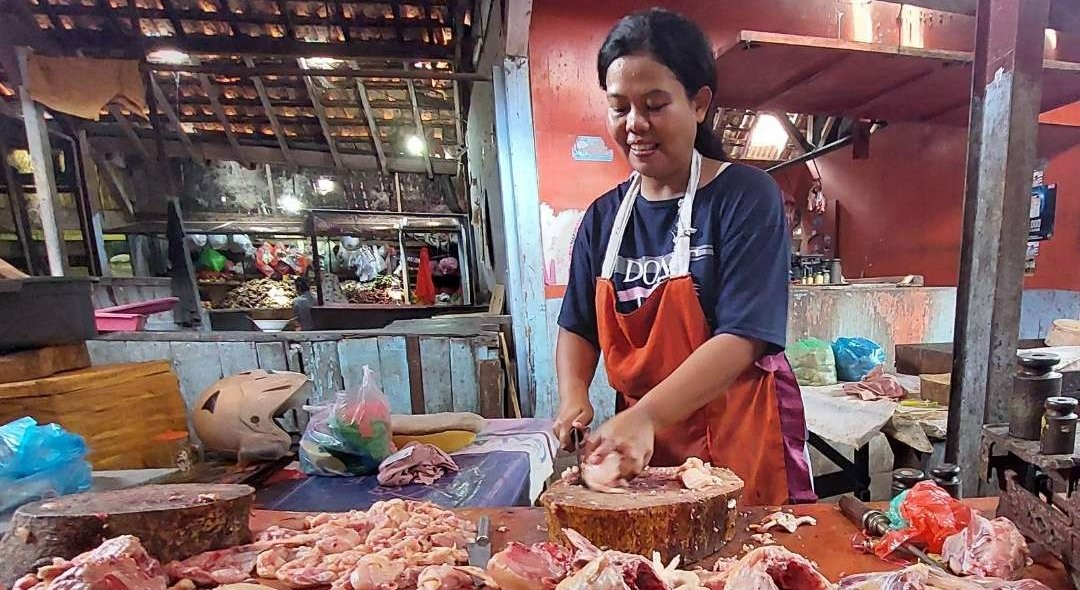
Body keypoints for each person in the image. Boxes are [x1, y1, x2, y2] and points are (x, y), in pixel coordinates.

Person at [553, 8, 815, 506]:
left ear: (698, 104)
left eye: (654, 105)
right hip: (638, 447)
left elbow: (743, 336)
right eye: (619, 107)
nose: (635, 124)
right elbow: (578, 325)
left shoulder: (745, 197)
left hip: (739, 437)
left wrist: (648, 415)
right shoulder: (603, 218)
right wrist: (574, 397)